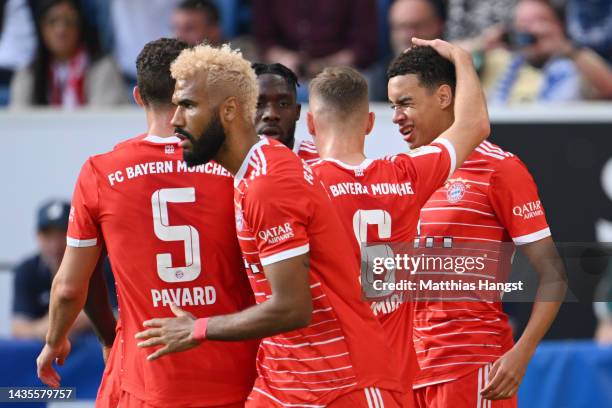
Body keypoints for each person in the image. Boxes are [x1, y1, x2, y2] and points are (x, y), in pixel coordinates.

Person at [134, 43, 407, 407]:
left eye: (188, 105)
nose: (175, 120)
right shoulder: (255, 169)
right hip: (284, 380)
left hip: (340, 384)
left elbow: (292, 307)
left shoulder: (267, 184)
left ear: (229, 110)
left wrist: (196, 328)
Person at [36, 38, 258, 408]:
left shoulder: (101, 172)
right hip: (235, 378)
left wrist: (55, 339)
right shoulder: (234, 167)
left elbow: (70, 288)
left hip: (145, 381)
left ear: (138, 96)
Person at [307, 40, 489, 402]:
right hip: (391, 379)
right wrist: (461, 59)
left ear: (310, 124)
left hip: (329, 380)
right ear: (371, 122)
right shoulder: (405, 175)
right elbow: (475, 124)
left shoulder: (298, 185)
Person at [387, 44, 566, 407]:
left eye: (405, 103)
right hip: (407, 373)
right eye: (392, 106)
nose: (396, 117)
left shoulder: (500, 168)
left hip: (471, 369)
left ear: (443, 96)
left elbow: (554, 274)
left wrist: (522, 352)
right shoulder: (402, 172)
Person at [477, 0, 612, 103]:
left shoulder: (579, 64)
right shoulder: (499, 60)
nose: (531, 30)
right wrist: (482, 43)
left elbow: (608, 88)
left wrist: (566, 48)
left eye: (539, 21)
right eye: (523, 22)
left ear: (560, 25)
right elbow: (457, 58)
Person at [9, 0, 127, 108]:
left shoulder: (103, 68)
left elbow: (105, 123)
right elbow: (19, 122)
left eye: (69, 22)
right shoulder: (28, 73)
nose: (61, 30)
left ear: (80, 27)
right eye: (52, 21)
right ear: (42, 29)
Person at [12, 200, 91, 339]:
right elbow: (18, 327)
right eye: (48, 235)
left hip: (92, 353)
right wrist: (51, 328)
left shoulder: (98, 266)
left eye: (62, 234)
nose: (55, 244)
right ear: (38, 236)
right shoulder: (27, 270)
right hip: (42, 353)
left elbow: (118, 314)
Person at [370, 0, 446, 101]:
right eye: (401, 26)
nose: (409, 34)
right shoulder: (378, 78)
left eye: (416, 25)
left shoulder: (456, 72)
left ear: (438, 25)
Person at [252, 62, 319, 164]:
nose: (271, 114)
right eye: (258, 104)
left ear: (297, 112)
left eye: (283, 104)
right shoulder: (222, 168)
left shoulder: (320, 161)